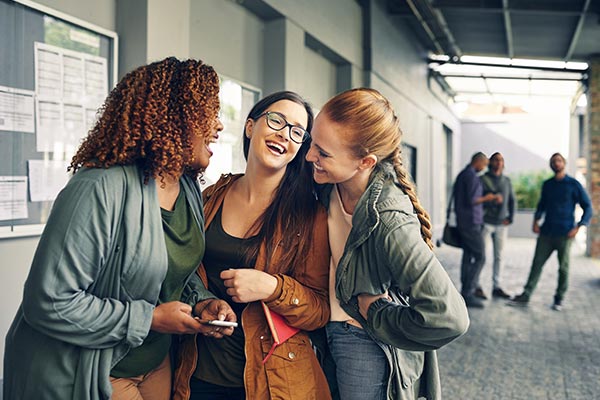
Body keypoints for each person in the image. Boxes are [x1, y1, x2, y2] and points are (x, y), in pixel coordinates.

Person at [3, 57, 237, 400]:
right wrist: (150, 320)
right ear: (172, 115)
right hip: (95, 367)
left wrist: (201, 302)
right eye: (207, 112)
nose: (217, 126)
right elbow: (49, 301)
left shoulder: (187, 187)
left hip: (154, 361)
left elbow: (172, 272)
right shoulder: (99, 187)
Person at [305, 87, 469, 400]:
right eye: (313, 142)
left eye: (323, 152)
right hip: (321, 325)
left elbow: (449, 317)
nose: (310, 156)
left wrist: (379, 312)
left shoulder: (390, 220)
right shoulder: (329, 184)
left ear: (364, 162)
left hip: (361, 341)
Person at [172, 91, 331, 400]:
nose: (283, 134)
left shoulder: (309, 217)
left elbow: (320, 310)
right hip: (195, 372)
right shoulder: (211, 197)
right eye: (276, 120)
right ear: (249, 127)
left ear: (301, 147)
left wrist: (273, 288)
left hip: (270, 382)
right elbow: (183, 273)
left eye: (296, 131)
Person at [511, 152, 592, 311]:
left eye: (559, 160)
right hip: (546, 232)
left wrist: (579, 226)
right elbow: (541, 205)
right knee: (536, 264)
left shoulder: (573, 185)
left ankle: (559, 299)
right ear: (551, 165)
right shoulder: (547, 184)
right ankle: (526, 295)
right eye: (553, 161)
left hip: (565, 233)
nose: (556, 163)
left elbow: (588, 207)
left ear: (564, 163)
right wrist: (535, 221)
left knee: (563, 268)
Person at [453, 152, 502, 308]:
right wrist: (489, 198)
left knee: (468, 257)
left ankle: (465, 292)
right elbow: (473, 200)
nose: (485, 167)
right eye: (485, 164)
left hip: (464, 221)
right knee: (480, 256)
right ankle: (469, 292)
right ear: (478, 162)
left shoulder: (464, 174)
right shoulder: (471, 176)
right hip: (470, 223)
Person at [475, 152, 515, 299]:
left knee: (499, 256)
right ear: (490, 163)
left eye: (501, 160)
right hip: (485, 222)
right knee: (481, 255)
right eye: (496, 160)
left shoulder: (507, 181)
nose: (499, 162)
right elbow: (476, 199)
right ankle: (476, 285)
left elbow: (512, 200)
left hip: (501, 224)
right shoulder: (482, 179)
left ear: (503, 164)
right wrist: (490, 200)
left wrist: (511, 217)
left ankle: (496, 286)